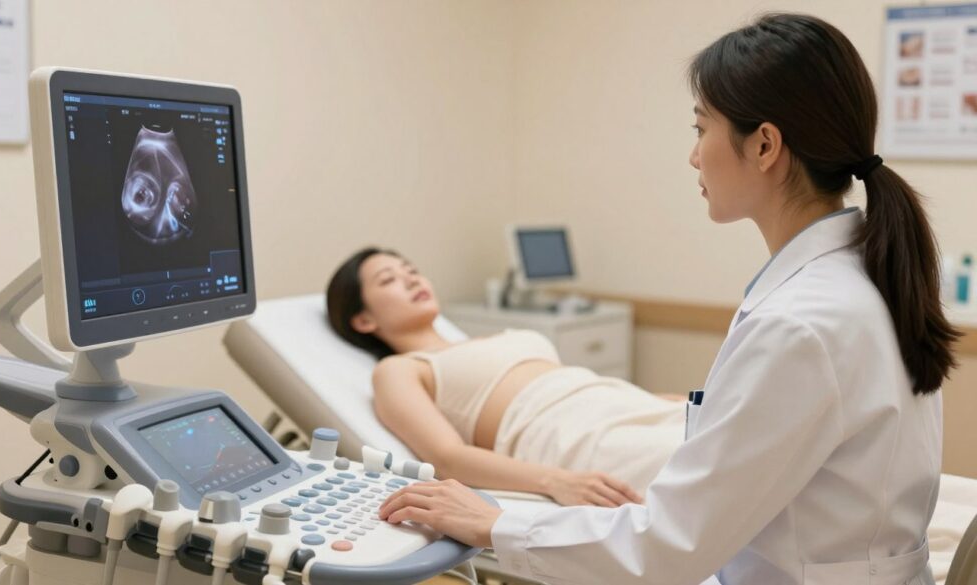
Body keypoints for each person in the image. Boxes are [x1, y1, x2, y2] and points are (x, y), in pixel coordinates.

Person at [377, 13, 959, 585]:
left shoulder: (802, 322)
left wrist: (497, 525)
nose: (694, 154)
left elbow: (666, 548)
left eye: (700, 128)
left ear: (764, 145)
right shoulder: (863, 278)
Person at [326, 247, 687, 507]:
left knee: (731, 433)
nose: (410, 280)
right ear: (363, 320)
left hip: (624, 405)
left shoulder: (482, 340)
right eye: (389, 279)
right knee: (702, 462)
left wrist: (661, 401)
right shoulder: (400, 369)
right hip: (571, 438)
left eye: (411, 271)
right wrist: (557, 481)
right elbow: (447, 458)